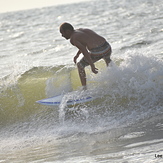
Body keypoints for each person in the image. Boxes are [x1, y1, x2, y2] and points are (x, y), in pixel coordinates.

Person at [59, 22, 112, 89]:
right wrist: (77, 55)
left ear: (68, 31)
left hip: (98, 51)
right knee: (107, 59)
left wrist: (92, 65)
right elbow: (84, 43)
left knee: (80, 65)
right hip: (107, 47)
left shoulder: (73, 38)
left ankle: (84, 89)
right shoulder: (81, 30)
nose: (62, 35)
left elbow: (84, 51)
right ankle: (113, 78)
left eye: (62, 33)